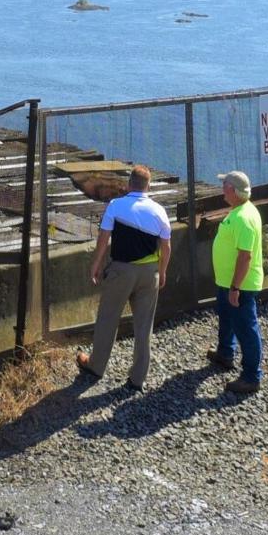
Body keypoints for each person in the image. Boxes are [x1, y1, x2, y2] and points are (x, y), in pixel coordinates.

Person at [77, 165, 171, 391]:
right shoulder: (159, 210)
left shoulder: (116, 206)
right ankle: (138, 378)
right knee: (144, 325)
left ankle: (96, 365)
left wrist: (96, 266)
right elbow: (166, 247)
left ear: (129, 184)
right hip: (150, 273)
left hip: (121, 271)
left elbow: (103, 238)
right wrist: (163, 271)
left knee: (108, 318)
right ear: (148, 186)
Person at [207, 169, 264, 394]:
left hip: (241, 285)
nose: (222, 189)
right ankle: (225, 353)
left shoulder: (244, 217)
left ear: (232, 190)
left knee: (246, 328)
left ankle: (251, 377)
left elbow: (245, 255)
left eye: (224, 185)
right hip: (228, 282)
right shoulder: (239, 210)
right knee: (228, 318)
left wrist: (235, 287)